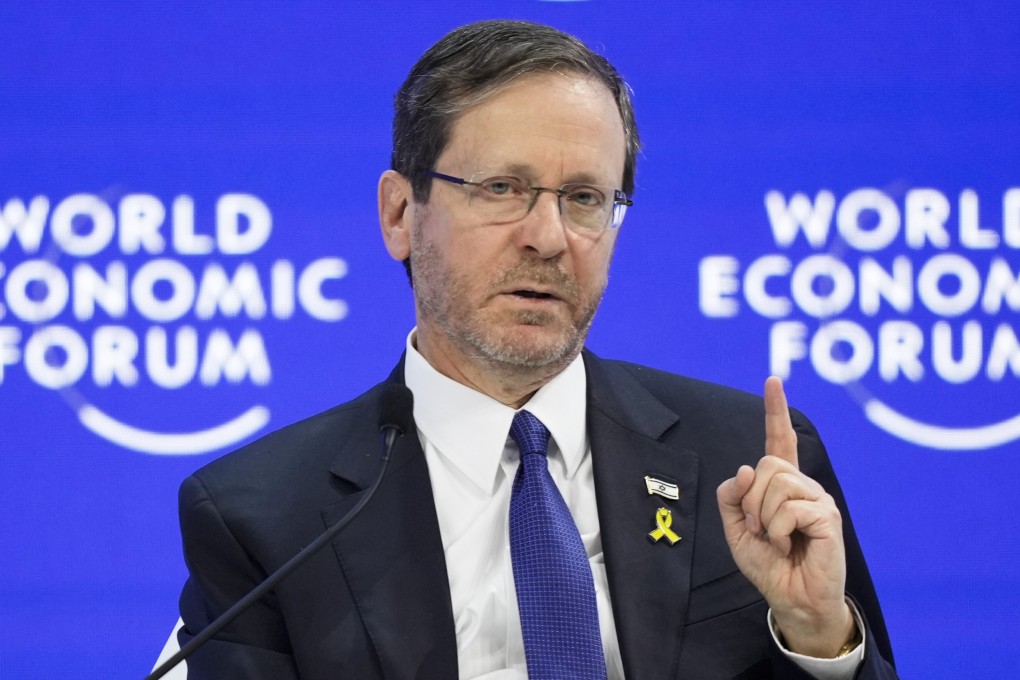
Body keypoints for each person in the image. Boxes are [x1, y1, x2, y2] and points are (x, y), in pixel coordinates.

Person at [175, 19, 898, 679]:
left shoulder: (748, 461)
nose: (549, 238)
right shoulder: (265, 519)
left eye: (584, 198)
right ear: (400, 213)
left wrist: (817, 637)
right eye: (502, 188)